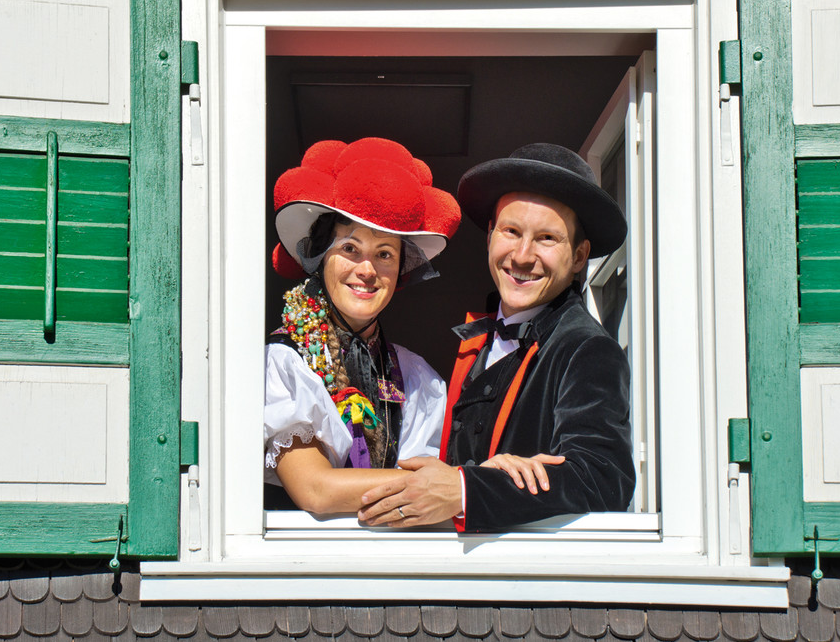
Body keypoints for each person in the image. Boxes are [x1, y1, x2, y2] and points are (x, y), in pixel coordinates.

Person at [265, 138, 557, 515]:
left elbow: (431, 488)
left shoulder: (417, 377)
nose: (367, 269)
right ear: (321, 259)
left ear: (399, 271)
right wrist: (470, 482)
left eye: (385, 254)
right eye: (350, 249)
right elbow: (316, 491)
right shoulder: (283, 363)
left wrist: (465, 484)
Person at [358, 143, 636, 532]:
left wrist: (466, 490)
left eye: (547, 238)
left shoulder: (588, 349)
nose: (522, 255)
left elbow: (604, 479)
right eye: (511, 231)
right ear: (490, 235)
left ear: (578, 256)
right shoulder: (480, 337)